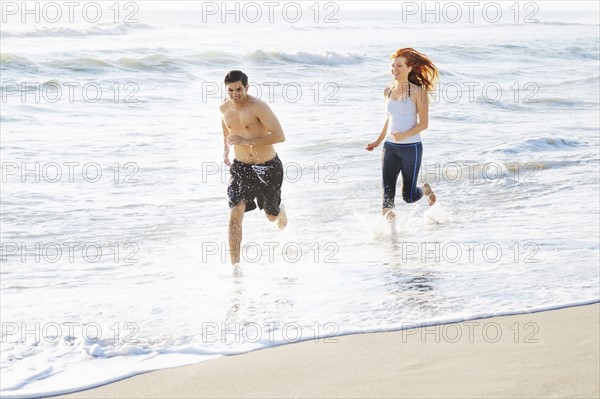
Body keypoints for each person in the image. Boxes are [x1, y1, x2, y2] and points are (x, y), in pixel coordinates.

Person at [220, 70, 287, 265]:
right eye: (230, 90)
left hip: (268, 167)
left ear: (246, 87)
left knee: (271, 216)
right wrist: (225, 151)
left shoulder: (259, 107)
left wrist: (245, 141)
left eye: (239, 89)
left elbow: (279, 135)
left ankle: (280, 211)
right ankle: (235, 268)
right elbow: (226, 129)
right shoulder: (224, 109)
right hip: (241, 168)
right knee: (235, 213)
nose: (235, 94)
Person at [366, 48, 439, 220]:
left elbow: (424, 124)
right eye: (393, 66)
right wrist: (377, 142)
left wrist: (405, 135)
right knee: (387, 194)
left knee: (409, 196)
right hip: (389, 148)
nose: (394, 70)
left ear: (409, 68)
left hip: (411, 148)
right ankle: (391, 237)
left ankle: (426, 190)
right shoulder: (388, 91)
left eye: (399, 66)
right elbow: (388, 119)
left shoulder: (418, 92)